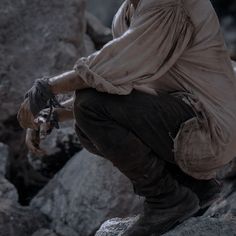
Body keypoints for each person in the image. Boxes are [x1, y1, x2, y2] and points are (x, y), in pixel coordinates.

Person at [17, 0, 236, 235]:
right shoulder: (128, 12)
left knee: (90, 106)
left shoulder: (169, 5)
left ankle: (166, 199)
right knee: (87, 115)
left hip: (213, 128)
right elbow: (120, 83)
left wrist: (47, 89)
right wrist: (53, 114)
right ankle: (193, 188)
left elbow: (111, 70)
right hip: (191, 115)